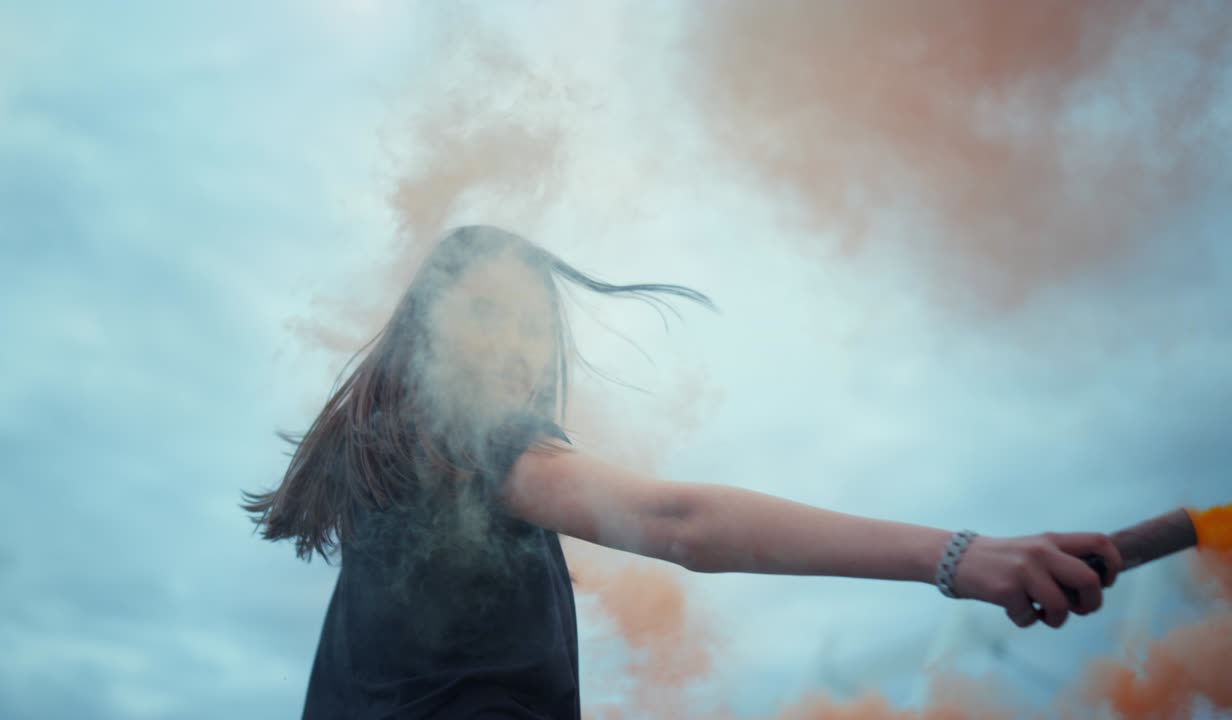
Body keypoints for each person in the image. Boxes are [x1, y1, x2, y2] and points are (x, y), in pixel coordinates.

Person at [241, 225, 1124, 719]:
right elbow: (679, 523)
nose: (514, 345)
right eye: (485, 313)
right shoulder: (468, 436)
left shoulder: (388, 467)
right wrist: (958, 555)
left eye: (532, 326)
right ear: (427, 329)